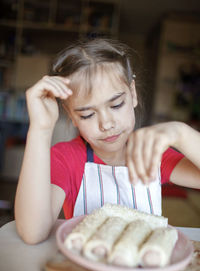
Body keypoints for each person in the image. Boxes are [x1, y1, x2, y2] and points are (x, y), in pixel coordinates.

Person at [15, 38, 200, 244]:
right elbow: (32, 233)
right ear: (71, 115)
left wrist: (181, 133)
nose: (106, 124)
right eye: (87, 115)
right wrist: (41, 128)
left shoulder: (152, 155)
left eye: (116, 105)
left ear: (133, 93)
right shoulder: (65, 159)